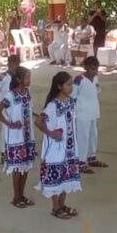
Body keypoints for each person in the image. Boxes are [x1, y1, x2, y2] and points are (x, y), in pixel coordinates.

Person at [35, 71, 81, 219]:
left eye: (71, 84)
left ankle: (62, 204)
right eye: (68, 84)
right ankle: (55, 207)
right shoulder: (52, 105)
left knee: (67, 175)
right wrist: (50, 132)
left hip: (70, 146)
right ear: (59, 86)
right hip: (56, 147)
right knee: (56, 175)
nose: (71, 87)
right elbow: (39, 122)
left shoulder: (71, 102)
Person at [0, 66, 36, 208]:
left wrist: (38, 115)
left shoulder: (28, 93)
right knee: (17, 168)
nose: (29, 80)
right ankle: (16, 196)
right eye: (27, 77)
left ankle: (22, 195)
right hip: (16, 138)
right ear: (19, 79)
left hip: (28, 136)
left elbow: (29, 110)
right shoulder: (10, 96)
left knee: (25, 167)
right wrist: (9, 124)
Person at [73, 57, 108, 174]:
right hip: (81, 113)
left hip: (93, 111)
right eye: (92, 68)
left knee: (93, 135)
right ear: (86, 68)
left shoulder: (96, 78)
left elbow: (97, 90)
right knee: (83, 137)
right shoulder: (79, 80)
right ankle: (80, 162)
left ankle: (91, 157)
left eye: (96, 68)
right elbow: (73, 96)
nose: (94, 71)